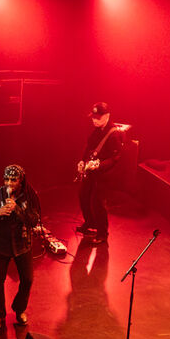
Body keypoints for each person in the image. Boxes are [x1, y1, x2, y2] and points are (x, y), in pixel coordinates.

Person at [0, 164, 41, 331]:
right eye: (7, 179)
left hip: (22, 244)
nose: (9, 183)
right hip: (0, 244)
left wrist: (17, 209)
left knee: (27, 279)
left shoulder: (29, 196)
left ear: (21, 181)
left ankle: (19, 309)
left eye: (13, 180)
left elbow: (34, 220)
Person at [75, 101, 124, 245]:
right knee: (83, 196)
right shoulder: (96, 130)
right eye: (93, 117)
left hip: (104, 174)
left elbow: (115, 158)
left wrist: (99, 165)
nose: (94, 120)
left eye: (98, 118)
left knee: (98, 203)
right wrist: (82, 161)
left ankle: (102, 233)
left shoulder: (114, 134)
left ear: (107, 116)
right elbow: (88, 146)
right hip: (91, 170)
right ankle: (90, 223)